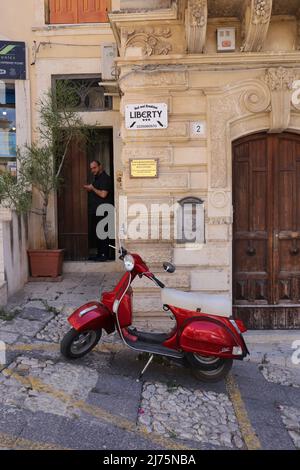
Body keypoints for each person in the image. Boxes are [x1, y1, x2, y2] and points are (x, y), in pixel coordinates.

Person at [84, 160, 113, 262]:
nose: (92, 170)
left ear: (100, 166)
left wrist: (92, 188)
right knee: (98, 233)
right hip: (97, 210)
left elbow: (103, 194)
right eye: (91, 168)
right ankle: (100, 254)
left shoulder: (105, 178)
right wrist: (91, 188)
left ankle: (104, 255)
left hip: (104, 210)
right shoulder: (97, 178)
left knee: (103, 234)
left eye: (94, 168)